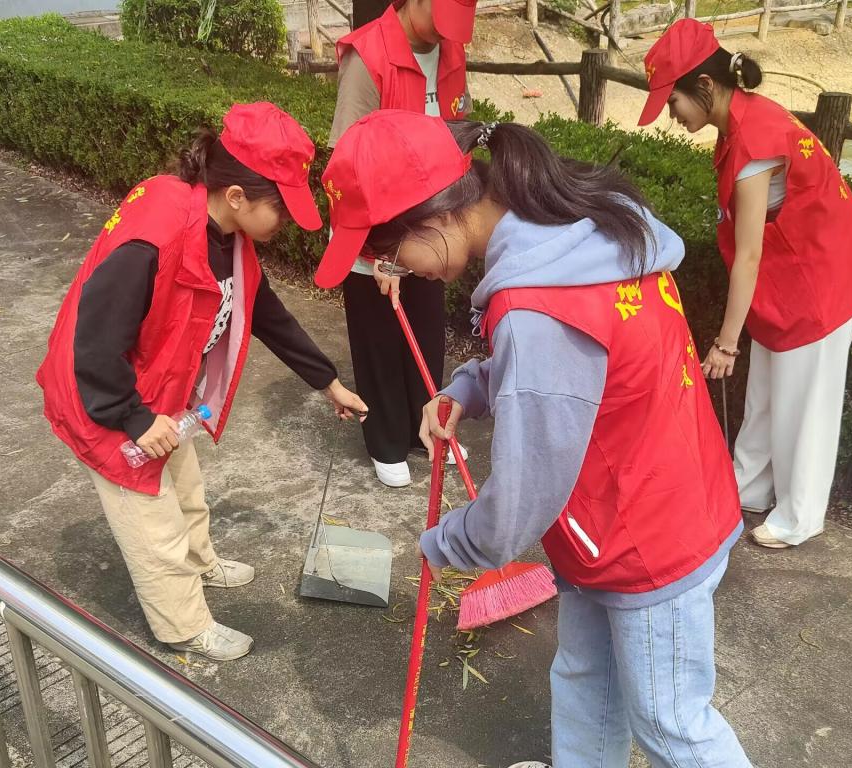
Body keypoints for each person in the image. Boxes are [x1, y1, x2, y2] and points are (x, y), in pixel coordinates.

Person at [315, 109, 752, 768]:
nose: (395, 272)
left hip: (647, 540)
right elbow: (579, 370)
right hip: (645, 504)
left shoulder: (537, 305)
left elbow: (520, 501)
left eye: (389, 255)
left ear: (435, 218)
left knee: (671, 724)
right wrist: (469, 388)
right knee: (586, 678)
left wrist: (445, 544)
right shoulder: (574, 234)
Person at [37, 102, 367, 661]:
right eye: (281, 208)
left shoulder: (226, 232)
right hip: (106, 397)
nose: (286, 222)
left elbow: (263, 311)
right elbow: (91, 340)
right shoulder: (157, 234)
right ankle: (184, 625)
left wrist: (327, 381)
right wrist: (132, 417)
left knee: (187, 488)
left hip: (160, 390)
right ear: (237, 195)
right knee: (154, 523)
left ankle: (200, 562)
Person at [637, 19, 852, 549]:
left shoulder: (754, 140)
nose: (671, 115)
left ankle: (800, 516)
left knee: (804, 399)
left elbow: (747, 254)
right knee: (769, 387)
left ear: (705, 86)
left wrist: (726, 343)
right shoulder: (740, 122)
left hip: (824, 278)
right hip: (794, 271)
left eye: (673, 102)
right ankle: (747, 485)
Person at [319, 0, 476, 488]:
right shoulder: (368, 56)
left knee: (425, 334)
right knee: (380, 342)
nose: (444, 36)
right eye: (440, 20)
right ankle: (385, 440)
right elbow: (349, 162)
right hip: (373, 231)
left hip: (429, 232)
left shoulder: (450, 51)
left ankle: (422, 428)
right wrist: (379, 252)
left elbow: (458, 136)